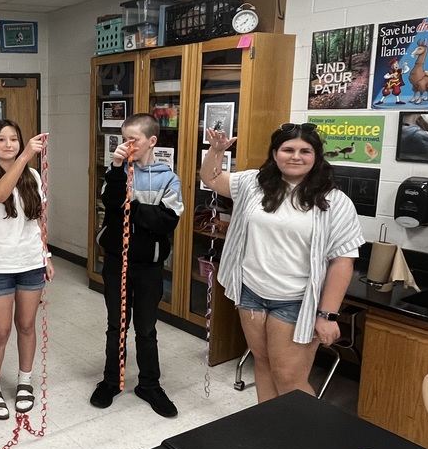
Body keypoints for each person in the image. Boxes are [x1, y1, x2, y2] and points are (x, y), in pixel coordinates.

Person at [200, 123, 365, 403]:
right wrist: (216, 151)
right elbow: (211, 179)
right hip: (251, 292)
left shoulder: (334, 202)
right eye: (288, 149)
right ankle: (270, 433)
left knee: (289, 378)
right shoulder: (254, 183)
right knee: (262, 364)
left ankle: (303, 444)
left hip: (295, 300)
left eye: (305, 151)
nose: (296, 156)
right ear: (275, 154)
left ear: (317, 157)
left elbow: (343, 261)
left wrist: (327, 315)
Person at [90, 114, 183, 417]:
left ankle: (149, 384)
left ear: (151, 141)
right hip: (117, 261)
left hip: (148, 264)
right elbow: (110, 203)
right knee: (116, 324)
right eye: (123, 139)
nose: (127, 145)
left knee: (146, 327)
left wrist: (132, 208)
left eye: (134, 140)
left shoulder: (168, 178)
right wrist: (117, 170)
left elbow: (167, 220)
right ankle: (112, 380)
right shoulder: (116, 170)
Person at [0, 120, 53, 420]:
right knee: (0, 330)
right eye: (2, 139)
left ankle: (24, 382)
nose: (8, 144)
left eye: (14, 139)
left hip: (31, 262)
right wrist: (23, 159)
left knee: (27, 325)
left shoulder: (32, 175)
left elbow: (38, 221)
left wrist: (47, 256)